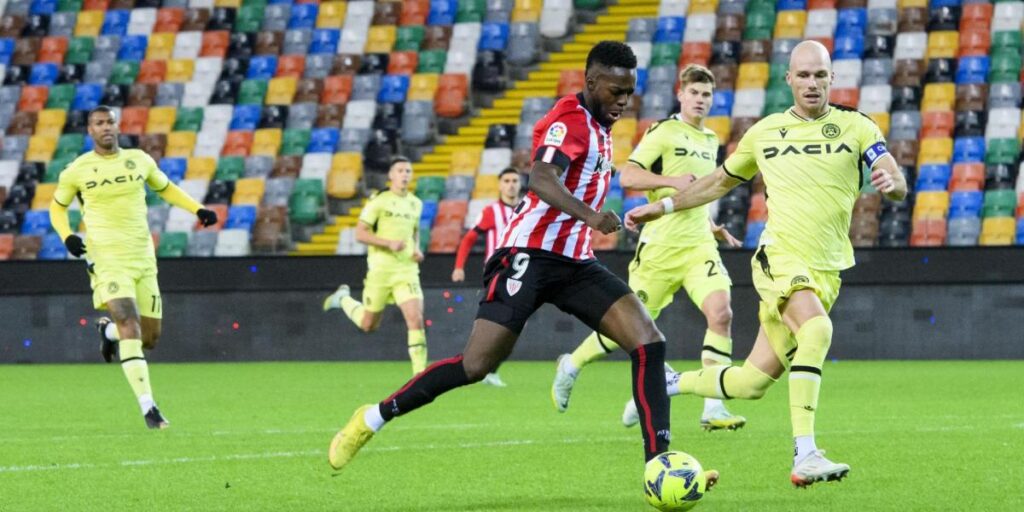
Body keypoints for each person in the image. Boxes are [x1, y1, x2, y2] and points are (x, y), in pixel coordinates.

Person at [327, 42, 718, 489]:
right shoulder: (568, 119)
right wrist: (591, 216)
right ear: (590, 83)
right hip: (527, 255)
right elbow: (542, 178)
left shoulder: (601, 124)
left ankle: (659, 467)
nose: (623, 101)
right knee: (476, 365)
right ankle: (372, 418)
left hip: (574, 261)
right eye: (615, 91)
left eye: (629, 92)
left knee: (649, 342)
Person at [624, 40, 907, 487]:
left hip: (827, 270)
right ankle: (806, 453)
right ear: (788, 79)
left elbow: (893, 177)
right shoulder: (765, 132)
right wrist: (660, 209)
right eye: (804, 75)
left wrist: (892, 184)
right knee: (816, 330)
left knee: (750, 384)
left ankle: (671, 382)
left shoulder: (857, 127)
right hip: (779, 258)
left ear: (832, 79)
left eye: (820, 75)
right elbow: (716, 183)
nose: (812, 83)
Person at [550, 64, 747, 432]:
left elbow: (699, 194)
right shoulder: (664, 132)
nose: (701, 100)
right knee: (627, 330)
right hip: (659, 250)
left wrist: (712, 226)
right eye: (694, 93)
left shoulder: (710, 140)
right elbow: (628, 175)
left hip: (698, 246)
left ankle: (713, 407)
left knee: (721, 313)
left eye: (706, 94)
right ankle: (572, 364)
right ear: (680, 94)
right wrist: (671, 180)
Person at [48, 105, 219, 429]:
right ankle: (149, 408)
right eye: (99, 123)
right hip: (107, 259)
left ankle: (107, 332)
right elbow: (57, 209)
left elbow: (165, 187)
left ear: (117, 126)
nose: (106, 127)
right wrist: (68, 236)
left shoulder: (139, 160)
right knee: (129, 321)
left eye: (110, 122)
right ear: (90, 131)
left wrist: (198, 209)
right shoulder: (77, 170)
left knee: (149, 337)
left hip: (142, 258)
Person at [323, 157, 427, 375]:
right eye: (400, 170)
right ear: (391, 175)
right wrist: (388, 243)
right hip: (381, 270)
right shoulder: (379, 201)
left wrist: (417, 248)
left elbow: (414, 231)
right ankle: (342, 298)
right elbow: (360, 233)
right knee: (368, 325)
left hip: (406, 270)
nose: (405, 174)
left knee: (415, 318)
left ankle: (420, 376)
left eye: (408, 171)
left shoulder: (416, 203)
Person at [450, 167, 524, 387]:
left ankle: (488, 368)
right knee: (503, 323)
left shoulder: (526, 209)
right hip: (498, 274)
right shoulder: (492, 212)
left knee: (516, 326)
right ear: (500, 185)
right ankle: (480, 365)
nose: (511, 185)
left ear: (520, 184)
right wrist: (458, 266)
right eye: (507, 181)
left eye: (514, 180)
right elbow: (469, 239)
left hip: (522, 274)